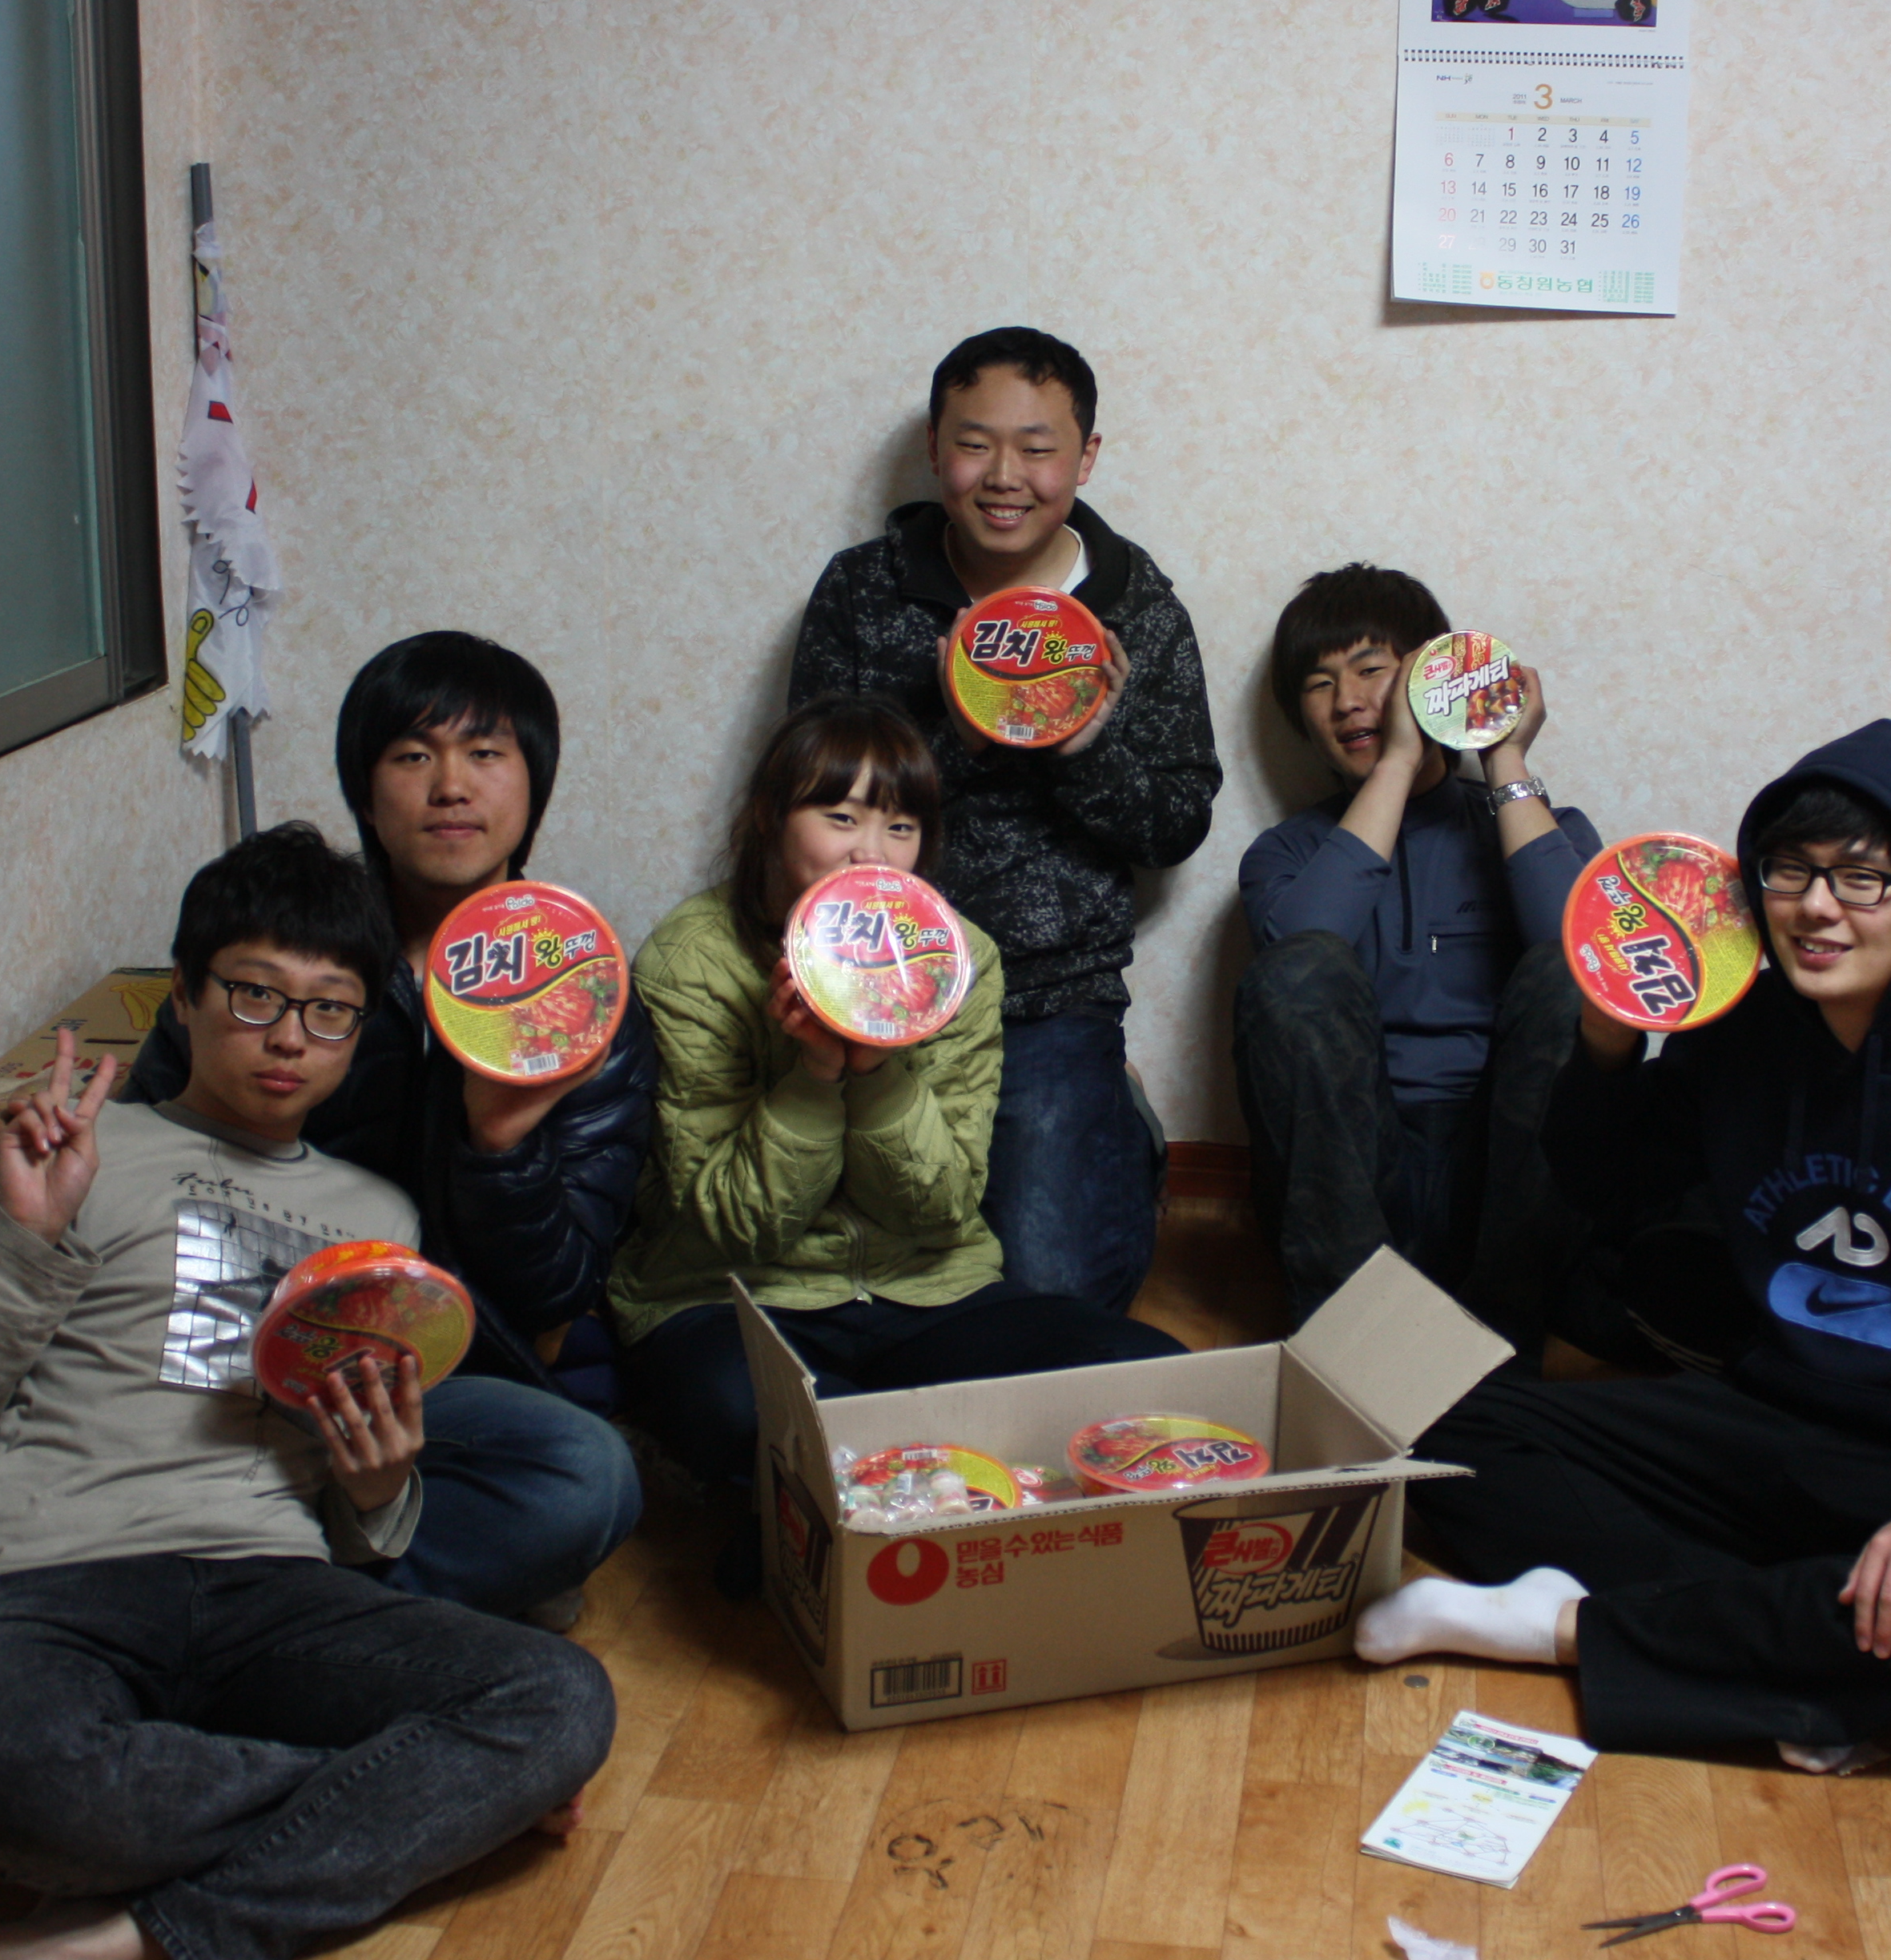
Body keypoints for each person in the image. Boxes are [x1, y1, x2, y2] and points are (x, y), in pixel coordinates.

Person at [0, 825, 613, 1960]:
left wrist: (380, 1488)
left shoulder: (375, 1219)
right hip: (48, 1577)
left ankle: (128, 1937)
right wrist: (20, 1235)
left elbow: (352, 1521)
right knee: (3, 1770)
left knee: (560, 1697)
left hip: (269, 1585)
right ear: (186, 996)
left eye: (329, 1012)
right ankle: (420, 1805)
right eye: (256, 995)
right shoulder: (76, 1153)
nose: (288, 1039)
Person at [1358, 721, 1891, 1768]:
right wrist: (1607, 1046)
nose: (1817, 907)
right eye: (1790, 872)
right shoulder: (1746, 1032)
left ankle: (1558, 1626)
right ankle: (1814, 1658)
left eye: (1862, 879)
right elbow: (1607, 1190)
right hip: (1766, 1422)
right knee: (1432, 1420)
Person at [0, 633, 646, 1623]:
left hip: (422, 1373)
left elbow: (560, 1286)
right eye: (413, 754)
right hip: (221, 1333)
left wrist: (500, 1148)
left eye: (487, 753)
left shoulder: (582, 1002)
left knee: (589, 1476)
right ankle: (305, 1588)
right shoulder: (290, 942)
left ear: (535, 785)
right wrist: (22, 1187)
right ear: (364, 788)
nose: (451, 785)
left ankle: (275, 1584)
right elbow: (150, 1148)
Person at [610, 694, 1189, 1505]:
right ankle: (883, 1475)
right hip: (735, 1298)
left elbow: (940, 1209)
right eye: (840, 817)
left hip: (927, 1290)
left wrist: (881, 1070)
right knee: (756, 1414)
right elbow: (736, 1226)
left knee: (1148, 1376)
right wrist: (813, 1075)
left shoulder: (959, 961)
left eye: (901, 826)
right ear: (771, 819)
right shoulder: (691, 959)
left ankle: (880, 1473)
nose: (871, 854)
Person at [786, 328, 1219, 1326]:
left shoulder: (1137, 606)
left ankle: (1117, 1121)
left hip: (1047, 995)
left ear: (1087, 457)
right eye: (976, 444)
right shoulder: (865, 589)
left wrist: (1085, 747)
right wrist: (956, 726)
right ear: (935, 448)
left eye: (1038, 448)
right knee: (855, 1296)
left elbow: (1175, 824)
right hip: (871, 977)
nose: (1005, 476)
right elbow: (804, 796)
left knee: (1049, 1303)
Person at [1233, 565, 1602, 1342]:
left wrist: (1502, 756)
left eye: (1372, 670)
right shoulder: (1286, 855)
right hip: (1352, 1183)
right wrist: (1397, 763)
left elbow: (1589, 969)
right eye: (1319, 684)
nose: (1347, 700)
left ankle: (1502, 1355)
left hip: (1499, 1179)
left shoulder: (1545, 829)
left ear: (1431, 677)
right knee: (1299, 968)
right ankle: (1349, 1349)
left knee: (1574, 962)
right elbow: (1296, 971)